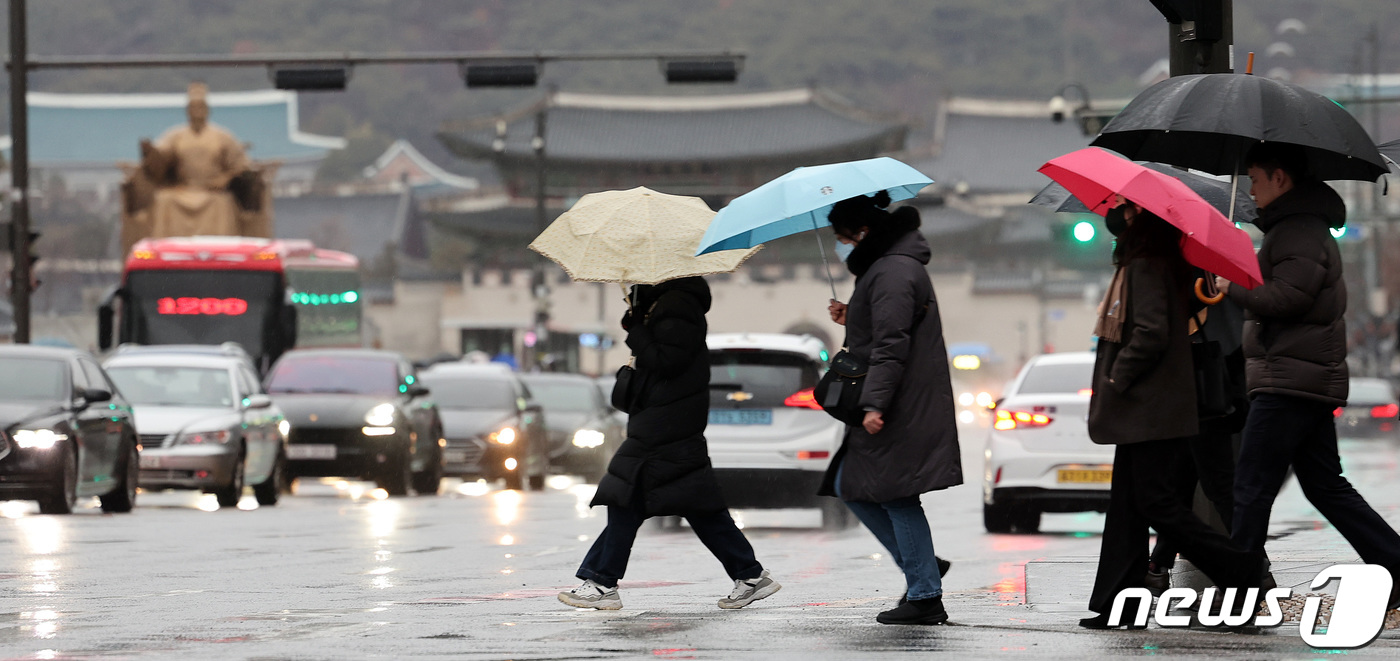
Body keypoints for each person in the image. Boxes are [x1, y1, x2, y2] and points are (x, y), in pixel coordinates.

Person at [1215, 142, 1400, 607]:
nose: (1251, 191)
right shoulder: (1295, 229)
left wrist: (1231, 285)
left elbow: (1286, 299)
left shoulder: (1297, 231)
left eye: (1256, 180)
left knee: (1251, 486)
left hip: (1289, 381)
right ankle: (1396, 563)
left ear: (1281, 179)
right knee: (1324, 486)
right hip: (1301, 378)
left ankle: (1242, 591)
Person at [1081, 198, 1261, 629]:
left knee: (1156, 503)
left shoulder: (1145, 266)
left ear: (1139, 221)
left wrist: (1117, 378)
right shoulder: (1154, 262)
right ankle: (1117, 602)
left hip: (1148, 406)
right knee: (1128, 504)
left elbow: (1150, 332)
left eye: (1127, 210)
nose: (1119, 215)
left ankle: (1239, 570)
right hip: (1147, 407)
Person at [559, 276, 780, 611]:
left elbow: (666, 361)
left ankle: (602, 582)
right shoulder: (668, 304)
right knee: (694, 504)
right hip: (667, 420)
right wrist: (640, 319)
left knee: (627, 494)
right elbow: (661, 359)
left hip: (666, 424)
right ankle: (749, 575)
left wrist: (638, 330)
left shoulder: (678, 304)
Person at [818, 191, 961, 626]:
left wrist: (875, 403)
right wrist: (853, 315)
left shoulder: (894, 271)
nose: (843, 246)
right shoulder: (887, 267)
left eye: (844, 237)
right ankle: (923, 572)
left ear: (862, 232)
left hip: (899, 401)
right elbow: (885, 329)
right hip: (899, 397)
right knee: (853, 485)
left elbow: (891, 344)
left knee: (895, 495)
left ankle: (924, 594)